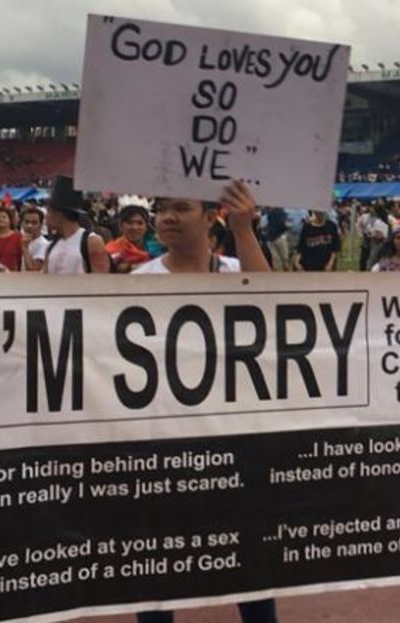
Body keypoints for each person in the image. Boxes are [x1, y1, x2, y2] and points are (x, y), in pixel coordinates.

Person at [134, 181, 273, 623]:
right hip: (164, 445)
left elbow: (275, 307)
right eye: (161, 209)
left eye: (180, 207)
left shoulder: (235, 268)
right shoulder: (141, 281)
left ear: (210, 215)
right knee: (155, 569)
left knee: (251, 567)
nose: (167, 217)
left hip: (235, 443)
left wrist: (245, 230)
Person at [43, 176, 110, 275]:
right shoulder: (51, 245)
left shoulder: (91, 241)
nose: (46, 216)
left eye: (49, 211)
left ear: (59, 214)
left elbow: (102, 279)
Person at [106, 205, 153, 274]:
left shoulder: (158, 247)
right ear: (121, 226)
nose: (134, 227)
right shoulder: (111, 249)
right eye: (129, 223)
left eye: (140, 223)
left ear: (146, 226)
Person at [20, 206, 50, 272]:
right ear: (22, 223)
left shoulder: (43, 244)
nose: (29, 226)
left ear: (41, 225)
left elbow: (33, 270)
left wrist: (25, 248)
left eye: (34, 223)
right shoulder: (24, 240)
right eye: (27, 222)